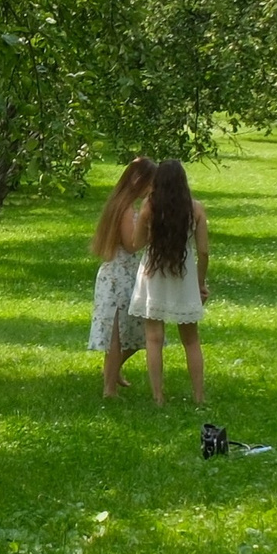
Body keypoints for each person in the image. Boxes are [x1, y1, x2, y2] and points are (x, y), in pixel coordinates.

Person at [128, 158, 208, 406]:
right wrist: (200, 283)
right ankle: (199, 396)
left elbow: (136, 244)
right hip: (184, 276)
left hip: (154, 273)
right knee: (191, 340)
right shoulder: (196, 209)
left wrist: (151, 231)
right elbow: (204, 251)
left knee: (154, 338)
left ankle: (158, 396)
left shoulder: (149, 207)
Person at [89, 158, 154, 396]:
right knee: (116, 334)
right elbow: (131, 244)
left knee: (133, 330)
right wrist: (151, 232)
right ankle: (109, 388)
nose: (152, 190)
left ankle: (112, 371)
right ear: (138, 180)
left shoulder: (123, 205)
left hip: (125, 273)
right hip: (119, 276)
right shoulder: (126, 209)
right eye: (150, 183)